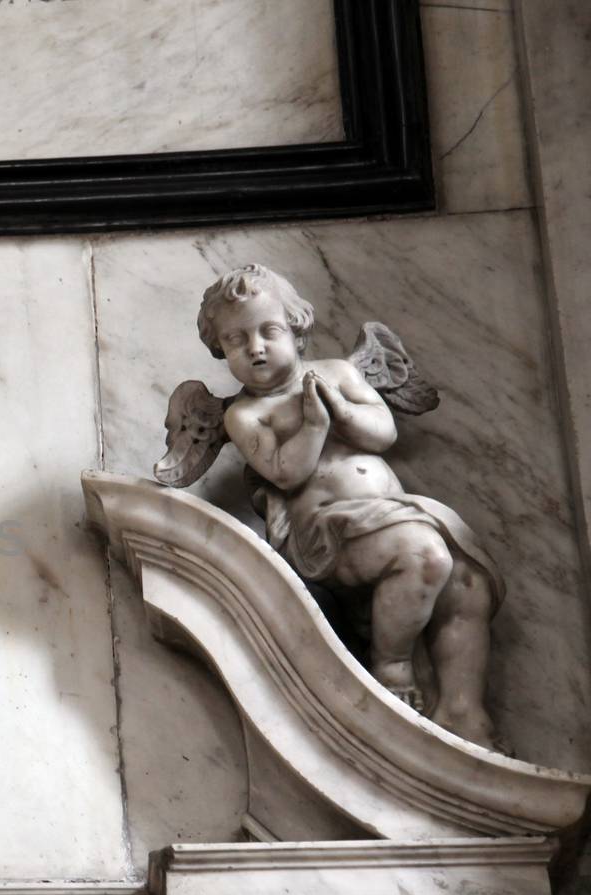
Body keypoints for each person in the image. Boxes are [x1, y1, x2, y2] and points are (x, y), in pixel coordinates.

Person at [199, 264, 504, 748]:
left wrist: (339, 409)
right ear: (221, 351)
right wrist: (315, 424)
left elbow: (384, 432)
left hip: (394, 513)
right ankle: (391, 666)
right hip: (324, 535)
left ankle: (464, 711)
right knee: (425, 555)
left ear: (297, 330)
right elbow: (283, 472)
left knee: (467, 586)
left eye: (268, 331)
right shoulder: (246, 413)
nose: (254, 347)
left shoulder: (338, 372)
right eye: (236, 340)